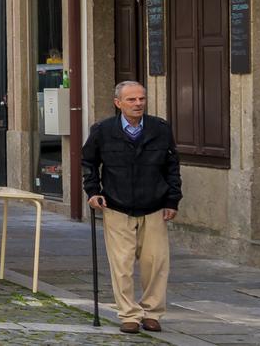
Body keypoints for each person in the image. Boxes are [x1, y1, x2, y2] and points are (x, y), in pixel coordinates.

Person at [81, 80, 181, 335]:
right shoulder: (103, 130)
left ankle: (152, 313)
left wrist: (172, 200)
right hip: (117, 205)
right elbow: (88, 162)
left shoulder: (160, 128)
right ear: (118, 103)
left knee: (155, 263)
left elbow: (172, 167)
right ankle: (129, 314)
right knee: (122, 264)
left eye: (141, 99)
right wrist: (93, 192)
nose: (138, 104)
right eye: (132, 100)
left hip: (154, 205)